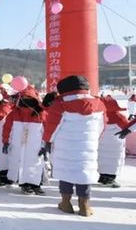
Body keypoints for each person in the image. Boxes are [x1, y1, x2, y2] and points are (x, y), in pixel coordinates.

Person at [43, 75, 108, 217]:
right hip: (88, 145)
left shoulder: (60, 105)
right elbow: (102, 125)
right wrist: (93, 139)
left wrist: (47, 141)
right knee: (84, 172)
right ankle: (84, 205)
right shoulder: (99, 104)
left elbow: (52, 127)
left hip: (65, 146)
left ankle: (65, 203)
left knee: (66, 172)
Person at [1, 87, 46, 195]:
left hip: (35, 144)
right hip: (18, 143)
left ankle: (36, 184)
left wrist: (45, 144)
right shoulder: (14, 113)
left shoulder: (41, 113)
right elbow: (7, 127)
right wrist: (6, 141)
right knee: (20, 162)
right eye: (24, 99)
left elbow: (47, 129)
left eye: (29, 98)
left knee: (36, 163)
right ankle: (24, 184)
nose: (26, 101)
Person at [97, 96, 132, 188]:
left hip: (101, 143)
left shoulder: (98, 116)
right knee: (113, 161)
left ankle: (103, 177)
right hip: (115, 145)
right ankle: (110, 179)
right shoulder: (118, 116)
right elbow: (127, 126)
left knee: (102, 159)